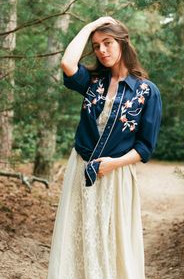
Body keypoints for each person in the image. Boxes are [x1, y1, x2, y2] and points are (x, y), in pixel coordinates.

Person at [47, 16, 162, 279]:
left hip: (116, 175)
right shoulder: (92, 82)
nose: (102, 50)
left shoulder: (146, 91)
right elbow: (67, 63)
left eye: (108, 42)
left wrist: (113, 163)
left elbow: (145, 147)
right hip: (81, 169)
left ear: (122, 43)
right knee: (78, 236)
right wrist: (91, 26)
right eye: (97, 45)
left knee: (113, 242)